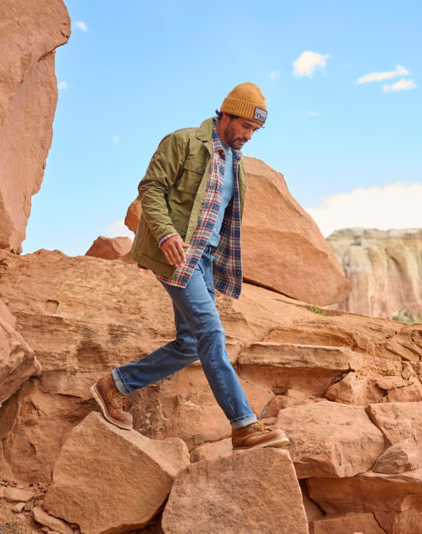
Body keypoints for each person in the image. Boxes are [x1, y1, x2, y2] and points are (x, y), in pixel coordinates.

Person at [91, 82, 289, 450]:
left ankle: (113, 386)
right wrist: (166, 234)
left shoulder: (235, 163)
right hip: (177, 255)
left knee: (189, 344)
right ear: (226, 114)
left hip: (206, 262)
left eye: (255, 131)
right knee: (211, 333)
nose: (249, 135)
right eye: (245, 126)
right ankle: (243, 424)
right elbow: (151, 187)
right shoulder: (182, 142)